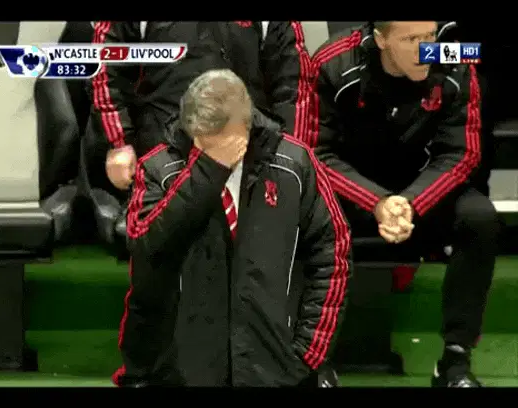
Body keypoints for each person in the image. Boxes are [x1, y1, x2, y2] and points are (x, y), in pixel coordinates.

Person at [112, 69, 352, 387]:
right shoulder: (159, 169)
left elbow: (333, 253)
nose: (213, 153)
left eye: (223, 144)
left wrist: (307, 352)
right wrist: (207, 172)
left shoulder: (295, 165)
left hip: (275, 367)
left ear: (246, 126)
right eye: (202, 144)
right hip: (180, 372)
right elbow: (145, 246)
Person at [308, 21, 500, 387]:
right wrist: (376, 201)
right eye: (411, 39)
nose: (425, 49)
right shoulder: (333, 63)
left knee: (479, 218)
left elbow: (463, 153)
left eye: (429, 36)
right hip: (351, 193)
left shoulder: (454, 59)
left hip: (422, 193)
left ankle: (455, 361)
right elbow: (315, 153)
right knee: (299, 214)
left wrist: (410, 202)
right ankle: (316, 361)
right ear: (380, 39)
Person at [89, 21, 311, 191]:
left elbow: (293, 85)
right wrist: (119, 143)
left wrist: (291, 158)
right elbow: (105, 65)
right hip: (164, 156)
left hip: (249, 159)